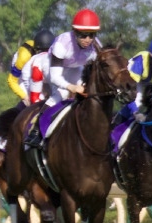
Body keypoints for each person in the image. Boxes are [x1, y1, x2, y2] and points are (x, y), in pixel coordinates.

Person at [24, 9, 102, 148]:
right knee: (62, 94)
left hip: (74, 67)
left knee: (89, 94)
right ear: (74, 32)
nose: (88, 40)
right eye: (83, 35)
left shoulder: (95, 46)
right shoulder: (62, 43)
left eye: (91, 35)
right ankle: (35, 130)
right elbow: (55, 78)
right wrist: (71, 87)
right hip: (51, 67)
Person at [8, 30, 55, 107]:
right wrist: (24, 96)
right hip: (21, 76)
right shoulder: (24, 57)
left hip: (36, 69)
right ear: (37, 50)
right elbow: (11, 81)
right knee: (33, 100)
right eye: (43, 51)